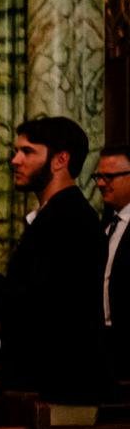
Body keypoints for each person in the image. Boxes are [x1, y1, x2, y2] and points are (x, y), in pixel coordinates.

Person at [0, 114, 109, 398]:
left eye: (27, 151)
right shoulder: (53, 215)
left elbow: (38, 303)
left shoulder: (70, 219)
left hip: (62, 382)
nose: (15, 160)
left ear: (60, 160)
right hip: (42, 380)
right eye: (16, 151)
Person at [98, 141, 130, 391]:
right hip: (103, 342)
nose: (100, 183)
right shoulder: (106, 224)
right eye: (98, 176)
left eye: (109, 176)